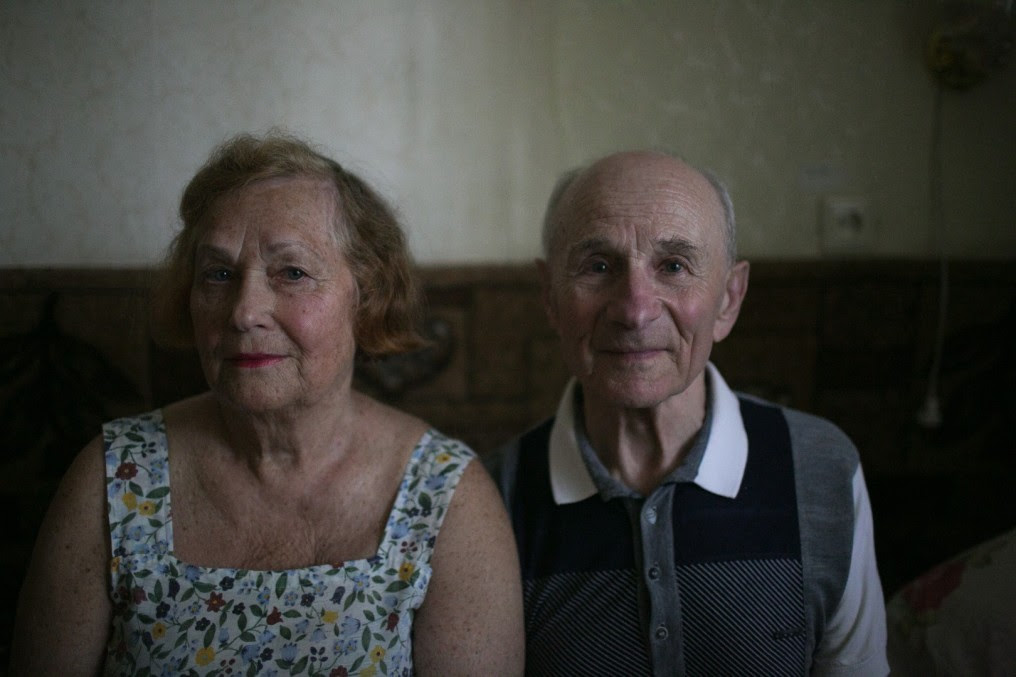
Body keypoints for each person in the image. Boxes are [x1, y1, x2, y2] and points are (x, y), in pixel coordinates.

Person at [11, 132, 524, 675]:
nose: (243, 311)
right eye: (218, 275)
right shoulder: (113, 479)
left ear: (367, 297)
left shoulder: (445, 498)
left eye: (292, 273)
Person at [486, 150, 888, 675]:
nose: (635, 310)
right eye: (599, 266)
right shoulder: (489, 498)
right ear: (549, 297)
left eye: (674, 266)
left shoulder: (820, 469)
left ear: (729, 299)